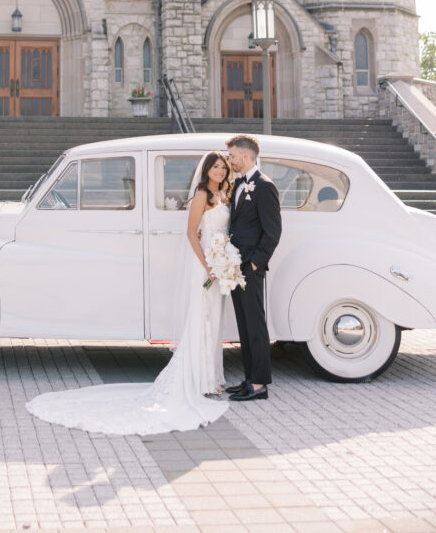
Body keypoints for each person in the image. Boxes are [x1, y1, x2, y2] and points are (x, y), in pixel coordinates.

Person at [25, 152, 233, 435]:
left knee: (215, 319)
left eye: (223, 167)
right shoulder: (202, 195)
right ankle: (200, 379)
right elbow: (190, 232)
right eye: (215, 167)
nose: (220, 171)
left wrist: (224, 258)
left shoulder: (222, 195)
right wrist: (207, 264)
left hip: (218, 262)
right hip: (205, 265)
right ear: (207, 170)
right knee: (202, 317)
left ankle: (212, 377)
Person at [225, 134, 282, 402]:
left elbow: (273, 231)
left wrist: (256, 263)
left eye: (232, 156)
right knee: (244, 325)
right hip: (235, 266)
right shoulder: (238, 184)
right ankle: (249, 379)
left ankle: (259, 385)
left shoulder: (264, 186)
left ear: (245, 156)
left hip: (250, 267)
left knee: (256, 325)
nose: (230, 161)